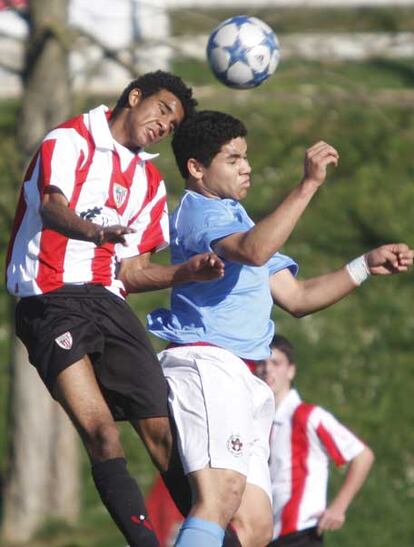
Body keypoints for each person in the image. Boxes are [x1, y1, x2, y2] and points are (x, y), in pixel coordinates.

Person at [147, 110, 413, 547]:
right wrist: (307, 185)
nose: (246, 167)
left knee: (256, 528)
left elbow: (298, 297)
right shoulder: (200, 213)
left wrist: (364, 265)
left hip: (247, 379)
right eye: (233, 159)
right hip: (208, 363)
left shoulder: (243, 223)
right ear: (196, 168)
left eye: (246, 157)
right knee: (218, 498)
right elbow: (253, 252)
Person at [6, 71, 225, 547]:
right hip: (50, 299)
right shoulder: (68, 140)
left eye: (172, 126)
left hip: (108, 302)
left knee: (164, 435)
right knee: (102, 433)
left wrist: (187, 272)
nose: (163, 126)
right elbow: (50, 205)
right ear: (135, 96)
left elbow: (131, 272)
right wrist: (94, 232)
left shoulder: (147, 182)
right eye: (162, 111)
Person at [256, 335, 375, 547]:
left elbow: (362, 455)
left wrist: (339, 507)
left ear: (291, 370)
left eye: (276, 363)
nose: (268, 370)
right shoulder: (257, 421)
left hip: (300, 533)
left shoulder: (308, 416)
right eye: (262, 363)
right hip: (266, 535)